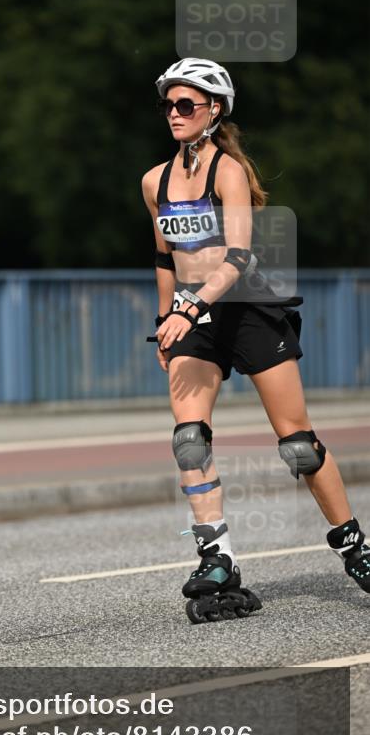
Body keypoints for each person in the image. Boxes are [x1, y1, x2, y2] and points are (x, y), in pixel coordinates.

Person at [141, 57, 370, 622]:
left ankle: (355, 547)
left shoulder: (228, 171)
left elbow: (239, 257)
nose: (174, 113)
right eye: (168, 104)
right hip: (193, 317)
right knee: (188, 438)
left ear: (214, 110)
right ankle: (215, 556)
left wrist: (190, 306)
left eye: (185, 104)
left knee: (298, 445)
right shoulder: (155, 181)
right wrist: (169, 315)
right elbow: (163, 258)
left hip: (245, 308)